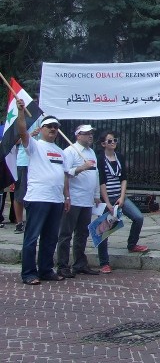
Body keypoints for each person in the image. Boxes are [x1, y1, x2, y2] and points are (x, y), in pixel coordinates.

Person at [16, 105, 72, 285]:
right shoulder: (34, 145)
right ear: (41, 129)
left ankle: (46, 270)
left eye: (56, 127)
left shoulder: (60, 152)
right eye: (50, 126)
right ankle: (29, 273)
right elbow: (23, 130)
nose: (54, 129)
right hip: (38, 198)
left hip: (56, 200)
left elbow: (64, 176)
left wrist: (67, 197)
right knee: (32, 238)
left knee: (50, 238)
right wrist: (21, 112)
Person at [96, 130, 151, 273]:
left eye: (114, 140)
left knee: (138, 217)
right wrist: (107, 202)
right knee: (103, 230)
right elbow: (101, 182)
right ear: (103, 144)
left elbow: (124, 178)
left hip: (120, 197)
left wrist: (122, 196)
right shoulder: (100, 159)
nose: (113, 143)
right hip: (106, 198)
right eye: (109, 141)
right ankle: (104, 262)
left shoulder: (119, 157)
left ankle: (132, 244)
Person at [56, 124, 100, 278]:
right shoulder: (70, 151)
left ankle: (80, 264)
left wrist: (96, 194)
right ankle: (62, 265)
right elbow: (66, 173)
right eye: (86, 133)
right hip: (74, 199)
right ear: (78, 135)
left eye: (91, 133)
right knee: (66, 233)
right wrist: (82, 168)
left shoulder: (91, 152)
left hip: (87, 200)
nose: (90, 136)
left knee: (82, 233)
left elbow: (96, 174)